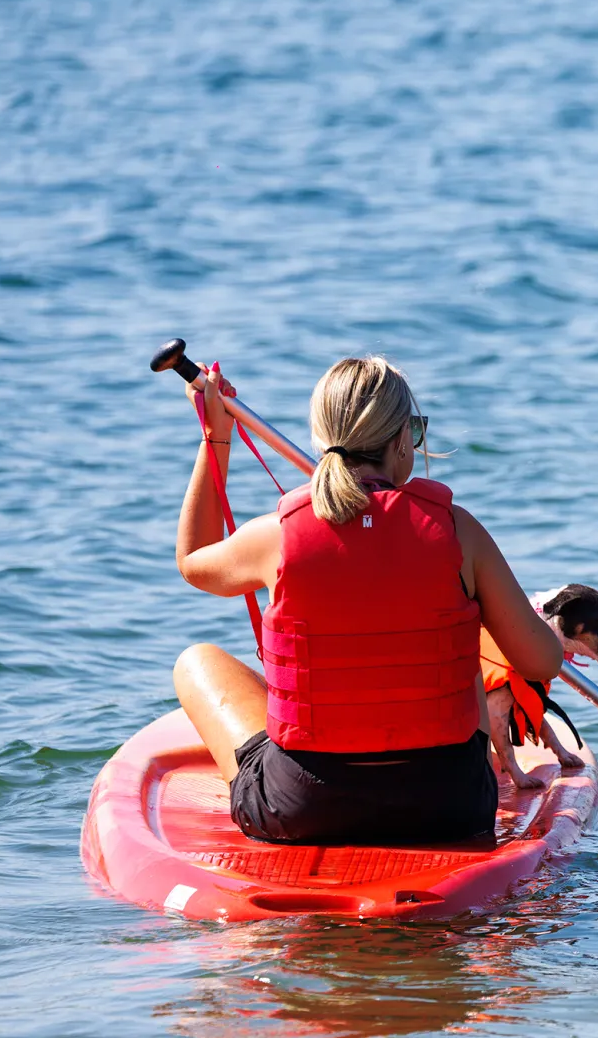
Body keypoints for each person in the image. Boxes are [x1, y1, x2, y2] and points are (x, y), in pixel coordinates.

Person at [169, 356, 564, 845]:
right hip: (451, 807)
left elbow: (193, 561)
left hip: (303, 809)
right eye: (414, 433)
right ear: (400, 440)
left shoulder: (275, 537)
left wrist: (215, 436)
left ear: (321, 442)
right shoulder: (459, 531)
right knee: (464, 649)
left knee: (196, 662)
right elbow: (542, 660)